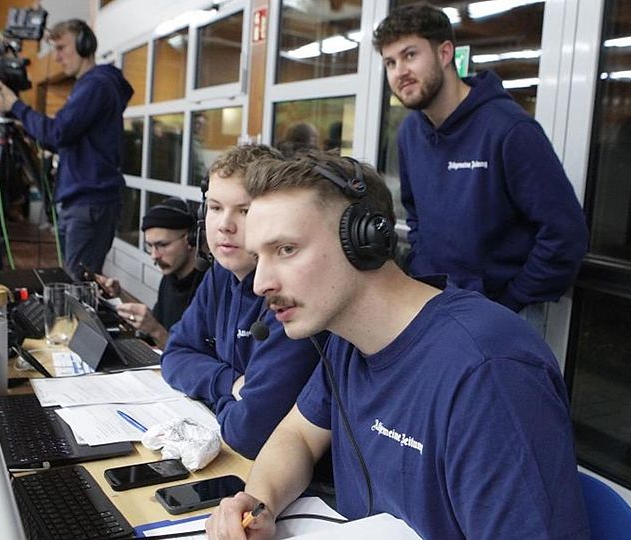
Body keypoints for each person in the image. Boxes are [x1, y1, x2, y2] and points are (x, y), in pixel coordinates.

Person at [205, 152, 588, 539]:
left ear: (364, 240)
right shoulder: (346, 340)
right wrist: (257, 501)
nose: (260, 283)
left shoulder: (489, 372)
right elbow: (298, 436)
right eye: (259, 257)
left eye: (285, 250)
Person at [375, 3, 588, 333]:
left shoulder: (510, 130)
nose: (399, 71)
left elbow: (565, 234)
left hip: (502, 317)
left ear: (445, 53)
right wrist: (421, 269)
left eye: (410, 55)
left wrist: (511, 301)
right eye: (390, 62)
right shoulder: (409, 133)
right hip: (432, 305)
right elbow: (416, 214)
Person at [160, 145, 321, 460]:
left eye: (243, 211)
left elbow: (251, 430)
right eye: (216, 207)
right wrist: (229, 382)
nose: (224, 225)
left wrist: (208, 389)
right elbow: (175, 354)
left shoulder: (290, 293)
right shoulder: (221, 272)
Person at [0, 18, 134, 280]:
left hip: (89, 202)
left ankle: (79, 322)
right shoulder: (90, 85)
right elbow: (56, 138)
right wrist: (24, 122)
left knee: (77, 285)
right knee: (74, 281)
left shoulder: (96, 84)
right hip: (82, 201)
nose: (57, 57)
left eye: (61, 47)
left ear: (84, 44)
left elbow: (57, 133)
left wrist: (16, 105)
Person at [94, 197, 206, 348]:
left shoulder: (209, 287)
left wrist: (156, 331)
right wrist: (119, 295)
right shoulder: (170, 277)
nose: (154, 255)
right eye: (150, 246)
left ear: (191, 240)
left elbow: (191, 359)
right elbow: (154, 322)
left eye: (162, 245)